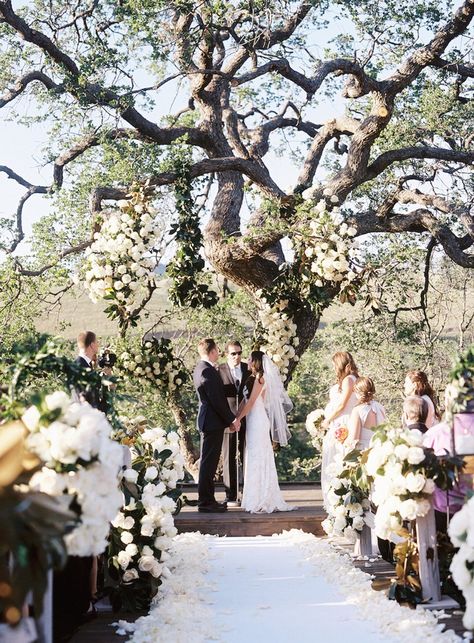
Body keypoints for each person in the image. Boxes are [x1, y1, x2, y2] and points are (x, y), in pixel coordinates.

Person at [236, 351, 296, 514]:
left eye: (249, 359)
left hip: (258, 420)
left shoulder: (260, 379)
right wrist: (236, 415)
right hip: (253, 420)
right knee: (253, 456)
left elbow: (251, 404)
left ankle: (262, 498)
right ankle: (253, 497)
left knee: (259, 456)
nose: (247, 361)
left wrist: (238, 419)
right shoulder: (252, 379)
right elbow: (244, 401)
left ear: (255, 362)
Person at [193, 338, 240, 513]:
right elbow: (217, 400)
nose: (218, 354)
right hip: (211, 422)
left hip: (210, 421)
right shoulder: (207, 371)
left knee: (209, 462)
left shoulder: (201, 368)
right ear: (212, 352)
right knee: (208, 463)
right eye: (217, 351)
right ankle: (206, 502)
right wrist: (231, 419)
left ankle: (207, 499)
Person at [320, 351, 359, 508]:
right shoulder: (348, 379)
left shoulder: (349, 379)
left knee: (338, 459)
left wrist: (328, 420)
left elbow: (343, 405)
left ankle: (338, 501)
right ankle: (334, 501)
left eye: (335, 365)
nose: (334, 368)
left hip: (343, 423)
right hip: (339, 422)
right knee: (333, 458)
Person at [218, 340, 249, 506]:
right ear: (226, 354)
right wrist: (230, 418)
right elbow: (218, 398)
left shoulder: (247, 369)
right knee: (229, 456)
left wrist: (241, 417)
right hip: (227, 420)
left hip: (247, 418)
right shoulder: (219, 370)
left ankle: (247, 491)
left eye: (239, 353)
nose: (237, 356)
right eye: (233, 353)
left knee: (246, 455)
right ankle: (230, 495)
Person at [347, 377, 386, 450]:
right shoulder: (380, 407)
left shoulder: (357, 410)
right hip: (380, 449)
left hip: (364, 452)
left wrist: (343, 442)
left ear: (357, 392)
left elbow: (354, 440)